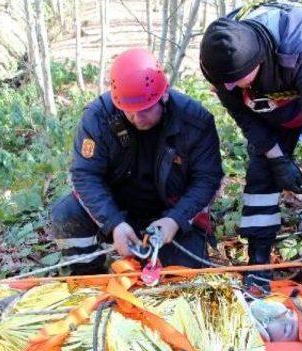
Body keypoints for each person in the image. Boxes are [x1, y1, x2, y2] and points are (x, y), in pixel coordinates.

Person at [199, 0, 302, 286]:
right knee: (261, 174)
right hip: (271, 103)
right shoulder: (219, 60)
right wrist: (277, 157)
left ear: (257, 61)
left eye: (235, 81)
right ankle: (258, 261)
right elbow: (245, 116)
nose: (229, 88)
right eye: (225, 84)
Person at [51, 48, 223, 274]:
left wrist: (175, 220)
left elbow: (207, 179)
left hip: (170, 210)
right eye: (128, 111)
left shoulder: (195, 121)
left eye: (146, 109)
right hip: (118, 206)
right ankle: (87, 274)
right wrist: (113, 223)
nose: (137, 118)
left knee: (181, 274)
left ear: (164, 94)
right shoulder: (98, 118)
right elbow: (85, 175)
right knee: (66, 212)